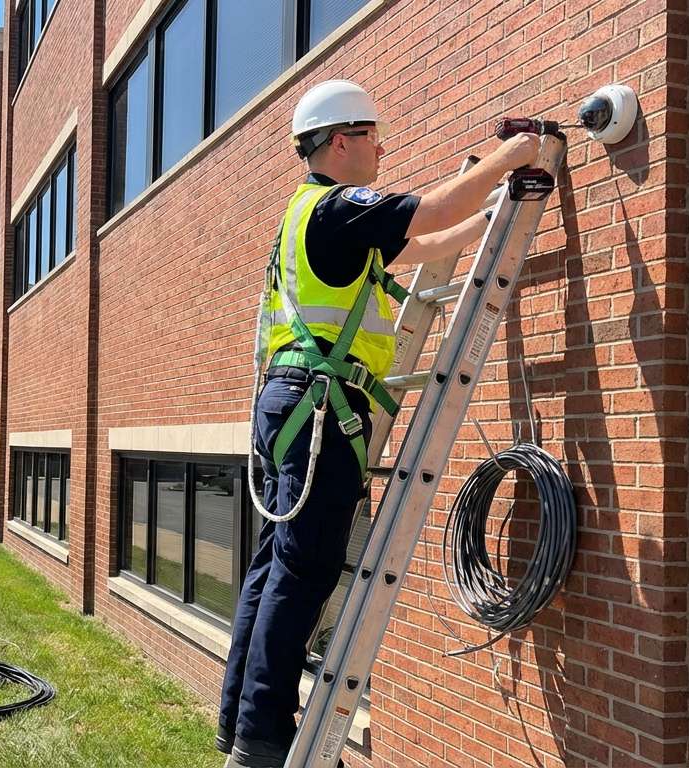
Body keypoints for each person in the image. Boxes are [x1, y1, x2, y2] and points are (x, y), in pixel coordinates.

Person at [217, 80, 541, 768]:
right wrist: (515, 154)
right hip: (318, 413)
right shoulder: (338, 206)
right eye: (373, 136)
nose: (383, 148)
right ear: (342, 141)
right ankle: (263, 738)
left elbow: (420, 245)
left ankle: (241, 722)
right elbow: (433, 210)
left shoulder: (311, 217)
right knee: (304, 571)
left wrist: (492, 214)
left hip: (291, 405)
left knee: (275, 567)